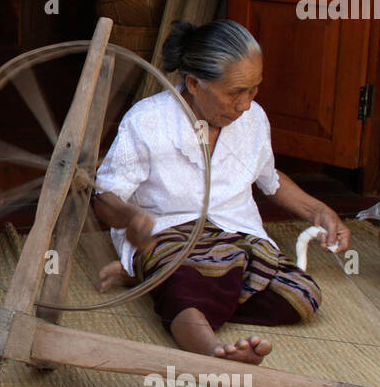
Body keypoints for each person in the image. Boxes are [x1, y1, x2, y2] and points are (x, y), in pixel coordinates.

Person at [92, 19, 351, 364]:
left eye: (254, 90)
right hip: (169, 232)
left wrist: (319, 211)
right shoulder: (148, 120)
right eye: (234, 93)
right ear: (194, 84)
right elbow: (105, 197)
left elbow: (269, 177)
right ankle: (214, 351)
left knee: (302, 295)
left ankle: (163, 284)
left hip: (236, 231)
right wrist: (130, 218)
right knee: (187, 285)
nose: (245, 105)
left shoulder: (253, 119)